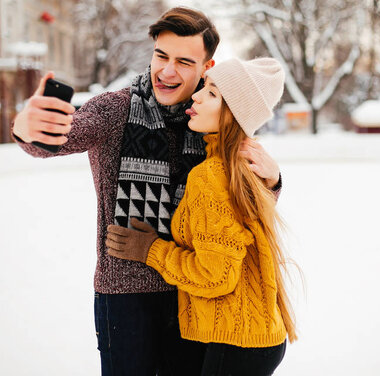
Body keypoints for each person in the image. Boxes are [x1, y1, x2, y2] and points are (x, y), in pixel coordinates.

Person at [11, 7, 283, 375]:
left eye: (184, 62)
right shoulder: (115, 110)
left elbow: (232, 211)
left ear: (208, 67)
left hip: (195, 297)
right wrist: (27, 127)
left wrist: (273, 181)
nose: (167, 71)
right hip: (126, 295)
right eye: (161, 55)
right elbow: (58, 138)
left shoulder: (214, 118)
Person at [105, 57, 297, 376]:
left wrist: (150, 249)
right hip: (247, 337)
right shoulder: (235, 166)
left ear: (232, 112)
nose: (196, 95)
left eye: (211, 93)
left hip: (235, 342)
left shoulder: (211, 175)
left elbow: (215, 275)